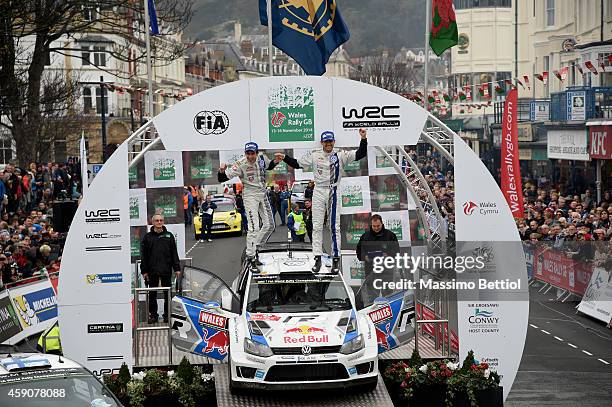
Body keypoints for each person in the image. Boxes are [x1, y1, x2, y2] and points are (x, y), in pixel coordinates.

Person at [280, 128, 368, 271]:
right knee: (317, 225)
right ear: (322, 142)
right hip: (319, 190)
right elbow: (297, 163)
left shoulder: (341, 154)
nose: (328, 144)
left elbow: (360, 154)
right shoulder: (315, 155)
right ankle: (317, 258)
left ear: (333, 142)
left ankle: (335, 258)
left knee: (334, 226)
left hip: (333, 189)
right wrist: (284, 157)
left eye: (330, 141)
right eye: (326, 142)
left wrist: (363, 138)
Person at [218, 142, 281, 266]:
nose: (250, 156)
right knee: (254, 227)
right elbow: (222, 179)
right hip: (250, 194)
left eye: (253, 153)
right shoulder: (240, 164)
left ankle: (256, 248)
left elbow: (269, 166)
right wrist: (221, 170)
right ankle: (250, 256)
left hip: (262, 193)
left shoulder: (262, 158)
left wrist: (276, 161)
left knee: (270, 225)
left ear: (257, 153)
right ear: (245, 153)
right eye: (248, 153)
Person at [140, 214, 181, 324]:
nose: (159, 222)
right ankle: (153, 315)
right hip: (152, 270)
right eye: (157, 220)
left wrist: (177, 268)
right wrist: (144, 271)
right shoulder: (147, 237)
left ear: (163, 222)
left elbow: (174, 253)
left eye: (161, 220)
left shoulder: (169, 236)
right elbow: (143, 255)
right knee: (152, 294)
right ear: (152, 222)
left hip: (166, 269)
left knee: (167, 294)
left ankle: (167, 315)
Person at [356, 214, 400, 280]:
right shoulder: (365, 236)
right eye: (374, 226)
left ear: (382, 223)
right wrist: (365, 257)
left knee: (387, 289)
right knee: (371, 289)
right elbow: (359, 250)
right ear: (371, 225)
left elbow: (397, 251)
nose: (376, 228)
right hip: (370, 270)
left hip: (387, 270)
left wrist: (388, 255)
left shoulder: (390, 235)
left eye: (378, 226)